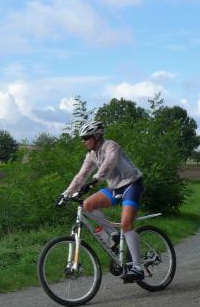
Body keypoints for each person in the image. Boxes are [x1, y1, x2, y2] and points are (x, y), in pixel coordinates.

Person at [61, 120, 146, 281]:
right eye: (82, 138)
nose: (83, 141)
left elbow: (109, 163)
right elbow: (81, 176)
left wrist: (95, 180)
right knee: (87, 205)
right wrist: (66, 193)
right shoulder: (91, 155)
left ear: (97, 136)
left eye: (86, 137)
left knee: (126, 224)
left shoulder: (111, 146)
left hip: (131, 184)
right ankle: (114, 235)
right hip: (114, 188)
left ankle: (137, 267)